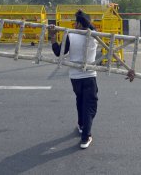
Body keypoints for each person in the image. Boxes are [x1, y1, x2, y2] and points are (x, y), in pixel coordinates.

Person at [49, 10, 135, 149]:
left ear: (78, 23)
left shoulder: (70, 35)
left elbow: (59, 52)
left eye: (75, 22)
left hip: (75, 77)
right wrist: (128, 69)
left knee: (80, 100)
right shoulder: (95, 37)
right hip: (89, 76)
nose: (73, 25)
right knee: (90, 106)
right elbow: (110, 50)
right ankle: (86, 137)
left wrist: (53, 37)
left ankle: (82, 125)